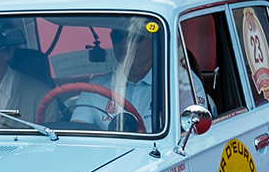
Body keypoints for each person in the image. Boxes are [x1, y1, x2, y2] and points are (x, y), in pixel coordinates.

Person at [70, 21, 206, 132]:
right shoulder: (95, 88)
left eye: (135, 37)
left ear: (155, 41)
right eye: (117, 37)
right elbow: (78, 133)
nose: (125, 44)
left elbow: (192, 136)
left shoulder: (181, 83)